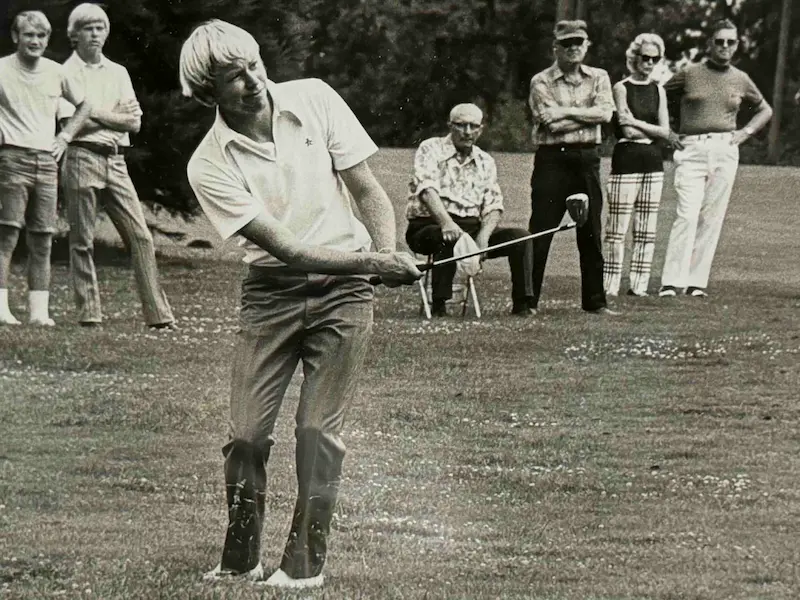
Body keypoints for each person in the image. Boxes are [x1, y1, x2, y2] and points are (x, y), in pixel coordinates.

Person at [179, 20, 421, 589]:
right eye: (234, 77)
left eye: (255, 64)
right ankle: (241, 558)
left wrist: (385, 252)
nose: (253, 81)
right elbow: (286, 250)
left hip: (345, 293)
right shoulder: (207, 163)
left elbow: (367, 189)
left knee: (317, 431)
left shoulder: (314, 97)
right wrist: (375, 263)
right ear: (208, 92)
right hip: (271, 294)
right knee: (246, 435)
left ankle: (304, 565)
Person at [58, 3, 175, 329]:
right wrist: (113, 117)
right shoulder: (65, 74)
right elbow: (70, 125)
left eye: (100, 28)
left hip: (116, 161)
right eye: (87, 28)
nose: (95, 34)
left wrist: (91, 112)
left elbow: (134, 123)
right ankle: (89, 314)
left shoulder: (118, 72)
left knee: (141, 237)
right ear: (74, 35)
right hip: (81, 158)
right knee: (82, 240)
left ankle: (159, 316)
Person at [658, 19, 772, 298]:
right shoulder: (689, 73)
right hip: (691, 149)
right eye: (719, 41)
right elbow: (658, 95)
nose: (724, 46)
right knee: (687, 214)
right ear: (710, 43)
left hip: (725, 148)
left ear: (736, 45)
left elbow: (764, 110)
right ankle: (671, 282)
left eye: (730, 42)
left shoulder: (740, 78)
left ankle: (696, 283)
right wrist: (667, 132)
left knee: (712, 217)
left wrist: (745, 133)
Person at [0, 10, 92, 326]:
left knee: (42, 238)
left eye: (41, 36)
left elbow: (85, 105)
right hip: (11, 159)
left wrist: (65, 137)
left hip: (47, 162)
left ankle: (39, 313)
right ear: (16, 37)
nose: (35, 41)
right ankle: (1, 309)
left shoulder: (56, 72)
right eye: (29, 35)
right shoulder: (2, 69)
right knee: (7, 234)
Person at [405, 103, 535, 317]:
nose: (467, 132)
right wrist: (446, 223)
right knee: (448, 237)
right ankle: (440, 306)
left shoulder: (486, 161)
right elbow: (427, 191)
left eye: (473, 126)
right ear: (450, 126)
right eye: (461, 125)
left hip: (472, 228)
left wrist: (483, 238)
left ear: (480, 129)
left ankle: (523, 305)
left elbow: (494, 204)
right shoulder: (430, 148)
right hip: (429, 225)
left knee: (520, 238)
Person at [527, 20, 618, 315]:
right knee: (541, 231)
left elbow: (605, 114)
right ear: (555, 47)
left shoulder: (599, 77)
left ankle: (595, 302)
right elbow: (548, 121)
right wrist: (586, 115)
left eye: (578, 42)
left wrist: (565, 112)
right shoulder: (541, 81)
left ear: (586, 45)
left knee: (590, 231)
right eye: (566, 43)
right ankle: (527, 301)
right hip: (552, 160)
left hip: (587, 158)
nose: (573, 48)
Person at [603, 33, 682, 298]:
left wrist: (638, 123)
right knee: (617, 228)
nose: (649, 63)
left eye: (654, 59)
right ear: (635, 58)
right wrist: (652, 130)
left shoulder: (658, 90)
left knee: (646, 229)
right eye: (645, 57)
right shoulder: (621, 88)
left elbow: (665, 131)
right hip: (626, 159)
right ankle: (610, 285)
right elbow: (626, 130)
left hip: (653, 162)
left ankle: (639, 286)